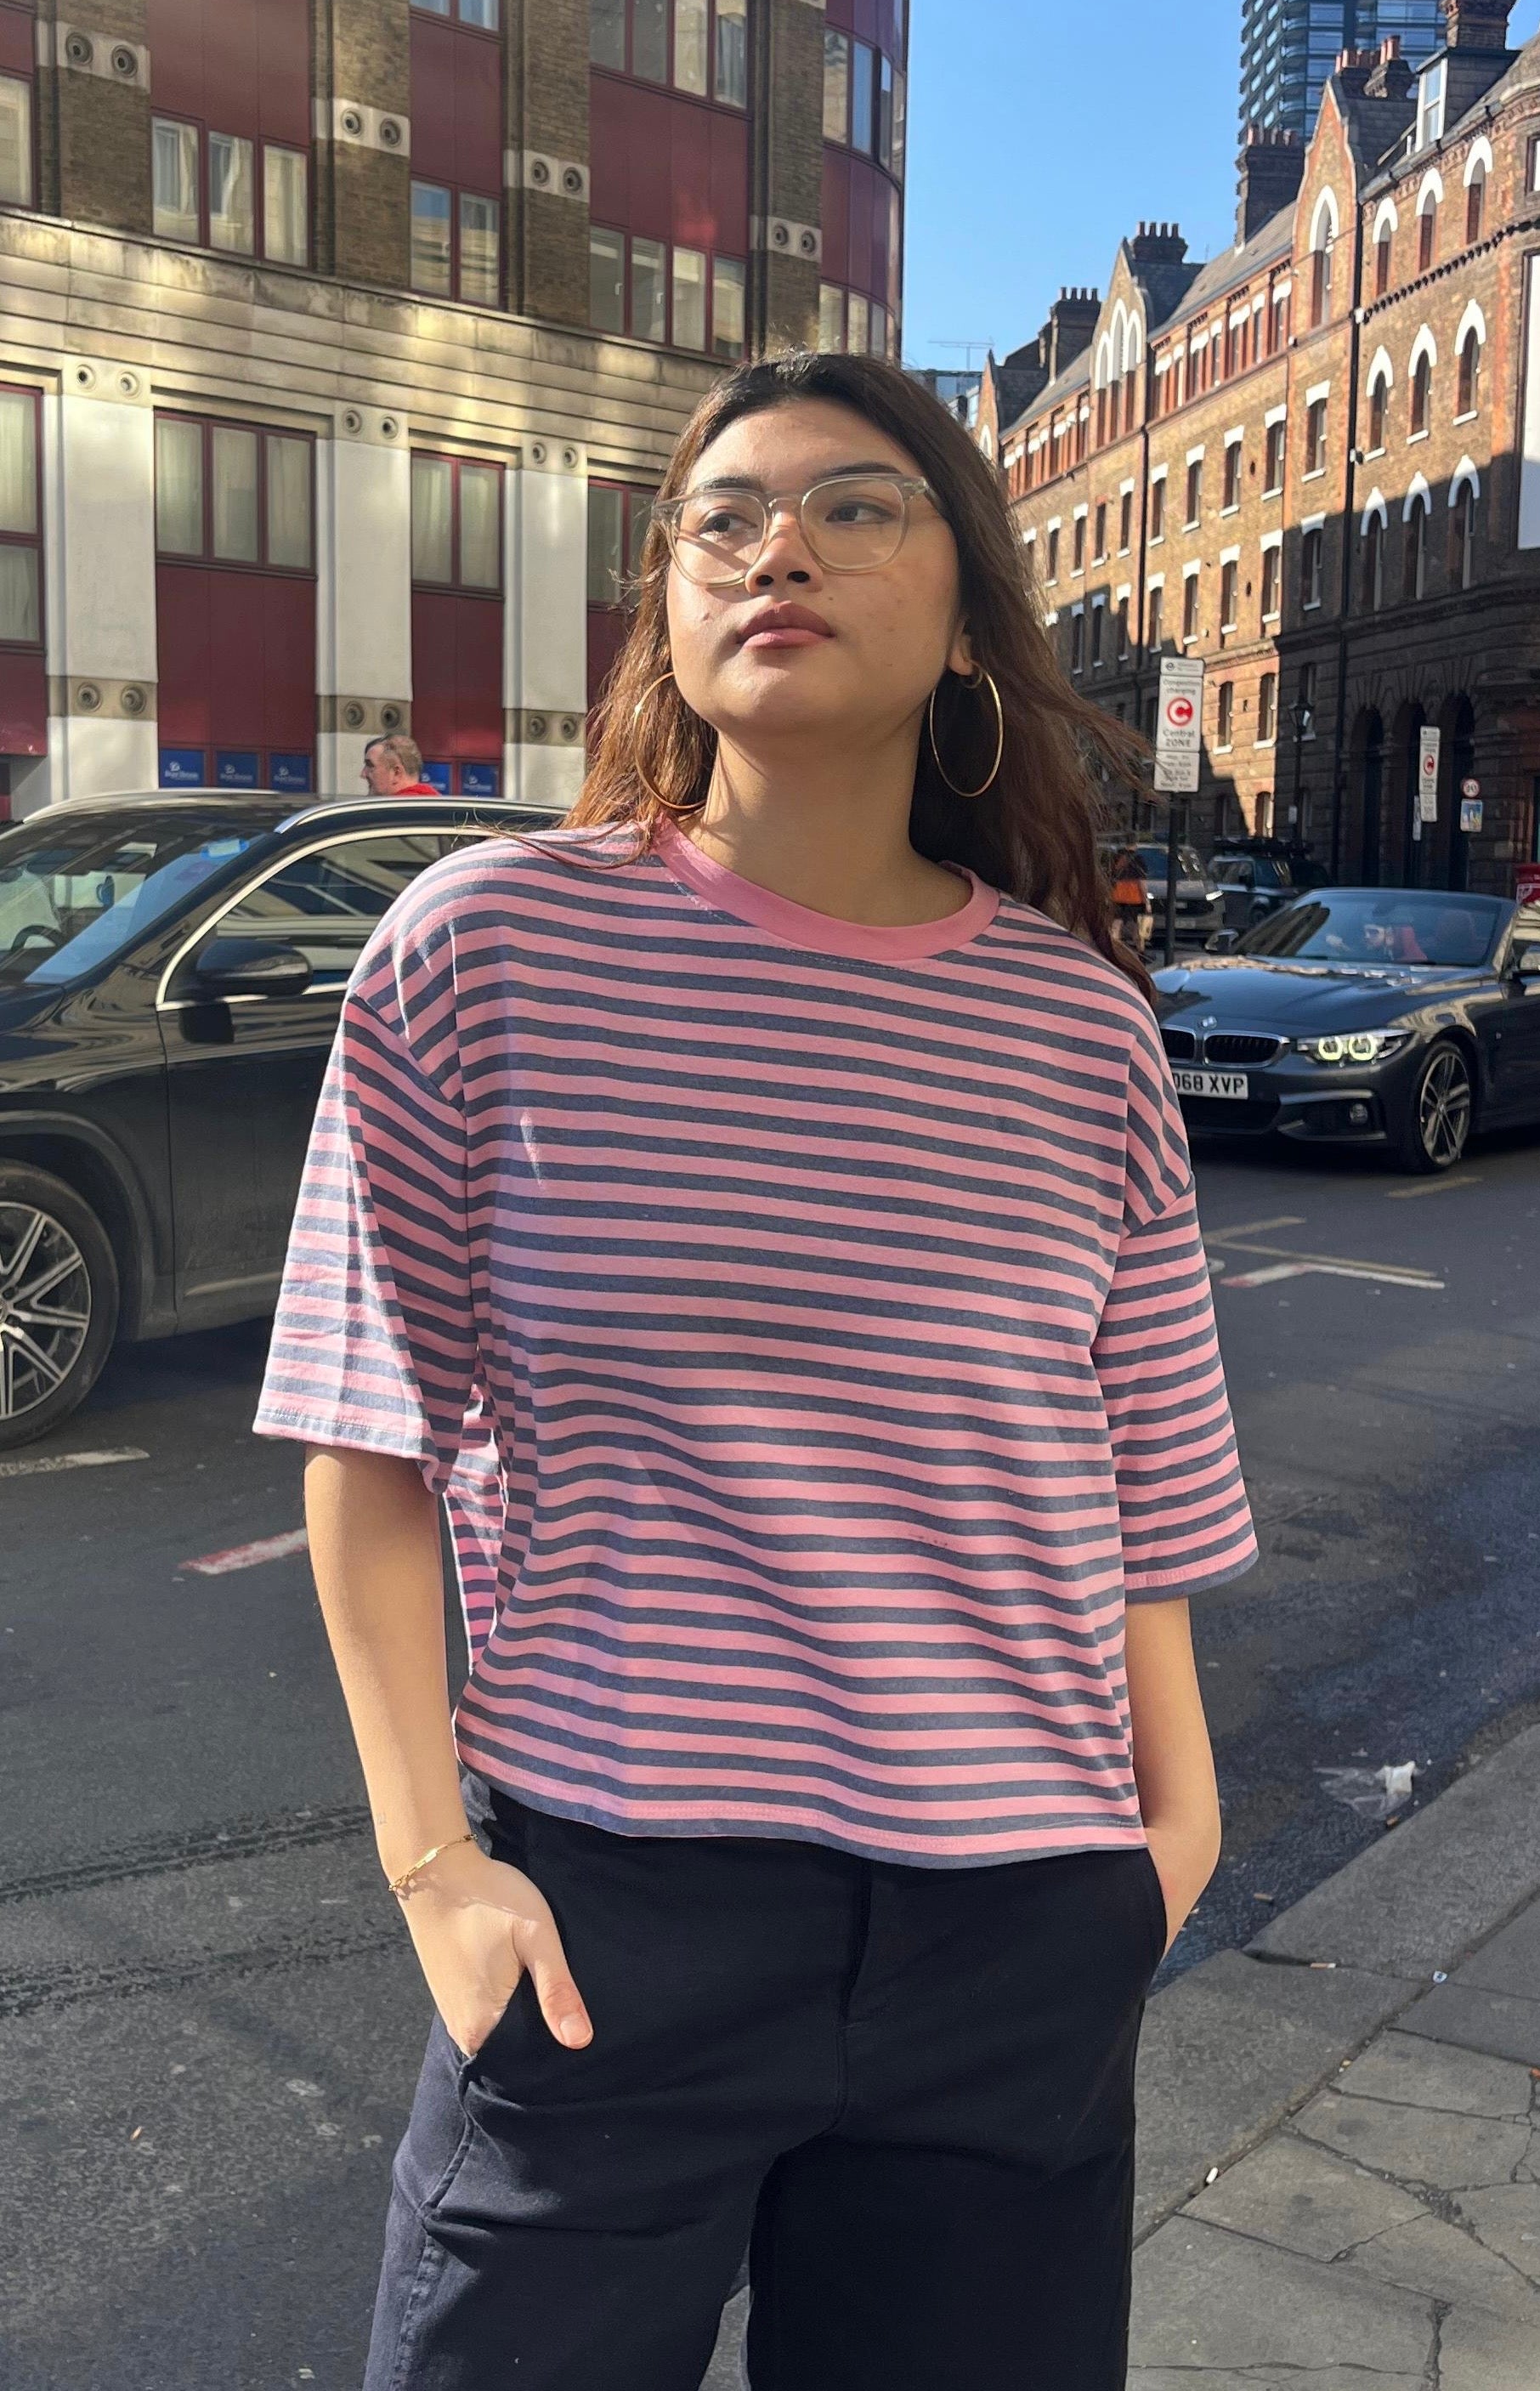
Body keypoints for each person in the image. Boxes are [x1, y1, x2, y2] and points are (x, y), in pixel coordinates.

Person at [256, 353, 1256, 2391]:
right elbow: (362, 1437)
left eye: (853, 505)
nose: (774, 546)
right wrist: (432, 1861)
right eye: (721, 516)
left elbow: (1137, 1484)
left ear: (965, 617)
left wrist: (1169, 1846)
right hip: (614, 1922)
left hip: (1018, 1929)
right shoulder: (486, 948)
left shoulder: (1078, 1032)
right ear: (667, 599)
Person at [361, 732, 440, 797]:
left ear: (396, 773)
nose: (363, 774)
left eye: (370, 765)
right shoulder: (435, 805)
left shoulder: (396, 810)